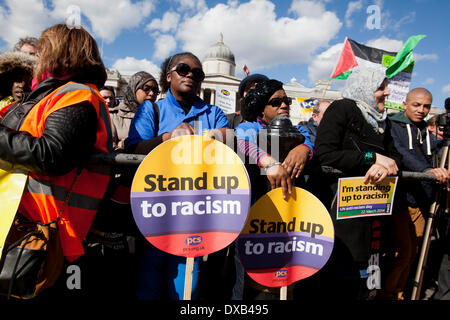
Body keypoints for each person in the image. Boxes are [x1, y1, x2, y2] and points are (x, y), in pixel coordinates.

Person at [0, 24, 112, 296]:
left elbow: (52, 154)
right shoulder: (48, 95)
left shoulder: (77, 95)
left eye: (43, 51)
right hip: (24, 224)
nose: (37, 59)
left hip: (45, 232)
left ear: (62, 53)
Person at [125, 52, 230, 300]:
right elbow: (133, 149)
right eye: (184, 69)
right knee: (149, 278)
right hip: (156, 207)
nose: (191, 75)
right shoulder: (151, 110)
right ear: (168, 75)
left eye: (198, 73)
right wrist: (167, 138)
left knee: (187, 285)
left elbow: (234, 140)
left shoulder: (213, 113)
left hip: (194, 210)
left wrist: (218, 137)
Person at [309, 67, 401, 300]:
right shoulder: (343, 108)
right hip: (342, 216)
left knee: (370, 280)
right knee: (341, 281)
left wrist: (385, 166)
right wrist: (371, 158)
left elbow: (395, 158)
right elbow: (325, 153)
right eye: (381, 87)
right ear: (364, 88)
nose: (387, 92)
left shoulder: (384, 122)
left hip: (374, 216)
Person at [233, 79, 314, 299]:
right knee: (249, 285)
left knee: (283, 281)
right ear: (261, 107)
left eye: (286, 101)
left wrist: (303, 149)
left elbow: (310, 142)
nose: (284, 106)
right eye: (276, 102)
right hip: (254, 221)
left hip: (287, 222)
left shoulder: (298, 131)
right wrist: (268, 162)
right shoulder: (248, 128)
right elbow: (242, 143)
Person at [379, 88, 450, 300]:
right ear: (404, 104)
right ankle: (388, 295)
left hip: (422, 201)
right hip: (400, 200)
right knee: (402, 253)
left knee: (414, 255)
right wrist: (426, 171)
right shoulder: (392, 125)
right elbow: (401, 153)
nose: (422, 110)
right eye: (416, 105)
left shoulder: (427, 133)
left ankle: (401, 293)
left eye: (426, 106)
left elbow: (434, 157)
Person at [109, 71, 159, 151]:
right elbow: (108, 148)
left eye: (155, 90)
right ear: (134, 88)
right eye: (146, 89)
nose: (152, 93)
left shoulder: (159, 115)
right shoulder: (114, 116)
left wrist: (124, 143)